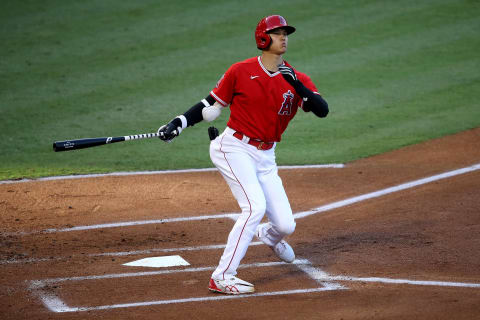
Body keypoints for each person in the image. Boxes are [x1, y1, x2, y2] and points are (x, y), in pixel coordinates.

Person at [157, 15, 329, 294]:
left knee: (285, 224)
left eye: (286, 33)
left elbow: (322, 110)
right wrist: (177, 123)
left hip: (266, 156)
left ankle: (268, 236)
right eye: (277, 33)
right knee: (254, 207)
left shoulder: (298, 78)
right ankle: (222, 276)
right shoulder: (240, 71)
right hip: (234, 147)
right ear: (263, 38)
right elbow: (210, 104)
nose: (284, 37)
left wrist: (295, 83)